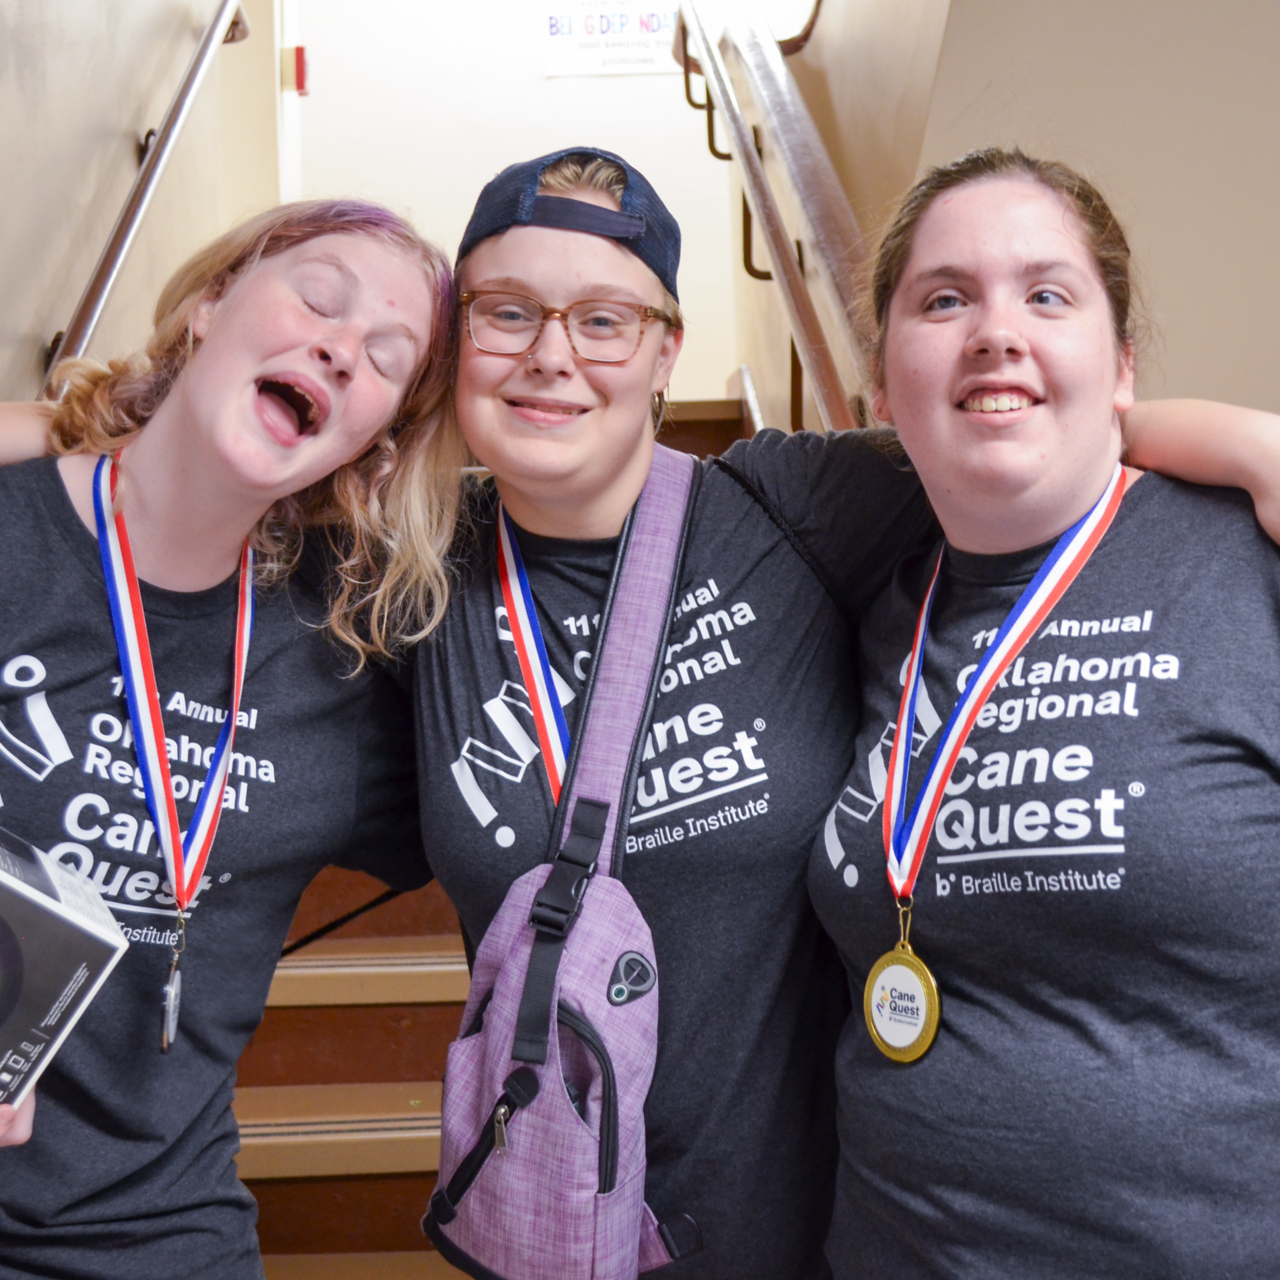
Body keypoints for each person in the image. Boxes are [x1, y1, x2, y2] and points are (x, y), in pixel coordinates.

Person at [408, 146, 1280, 1278]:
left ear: (668, 346)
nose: (551, 355)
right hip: (665, 1226)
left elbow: (1011, 427)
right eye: (507, 311)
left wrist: (1251, 444)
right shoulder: (401, 588)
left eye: (605, 318)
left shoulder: (792, 508)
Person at [811, 147, 1280, 1276]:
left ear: (1119, 363)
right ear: (882, 386)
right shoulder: (863, 598)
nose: (994, 329)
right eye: (942, 298)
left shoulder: (1247, 566)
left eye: (1045, 293)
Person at [0, 199, 464, 1278]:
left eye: (387, 356)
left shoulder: (344, 660)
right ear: (209, 305)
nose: (343, 347)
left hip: (157, 1234)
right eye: (317, 296)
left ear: (377, 438)